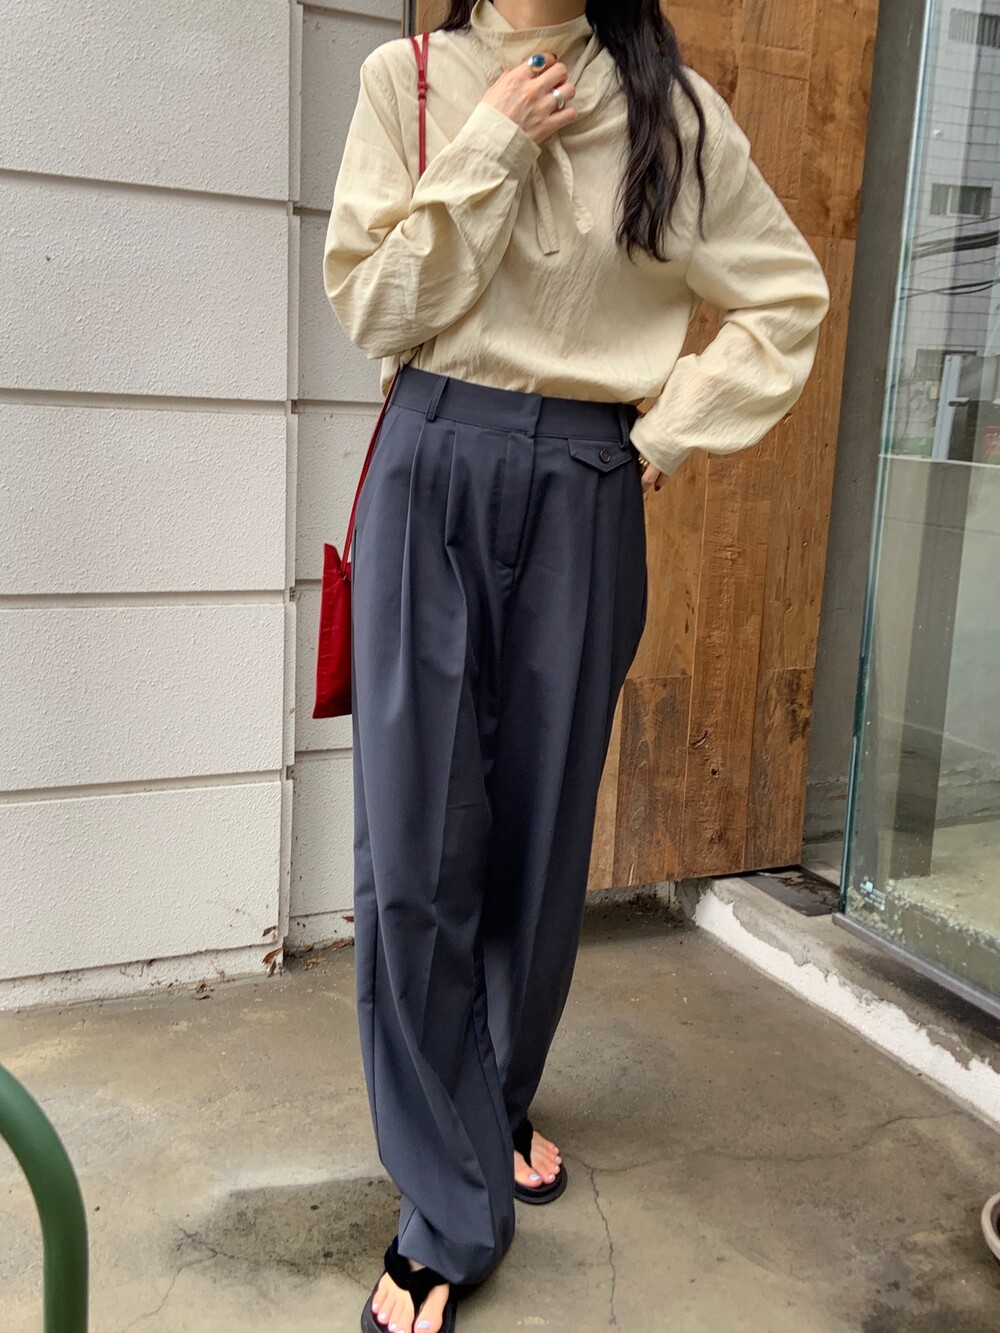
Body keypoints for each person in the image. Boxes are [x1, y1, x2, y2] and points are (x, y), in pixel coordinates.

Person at [323, 1, 830, 1329]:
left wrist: (665, 432)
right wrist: (490, 144)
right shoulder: (410, 78)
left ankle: (488, 1100)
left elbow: (784, 299)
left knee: (541, 836)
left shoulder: (677, 112)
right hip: (433, 458)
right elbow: (373, 307)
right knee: (418, 845)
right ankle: (447, 1205)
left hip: (588, 482)